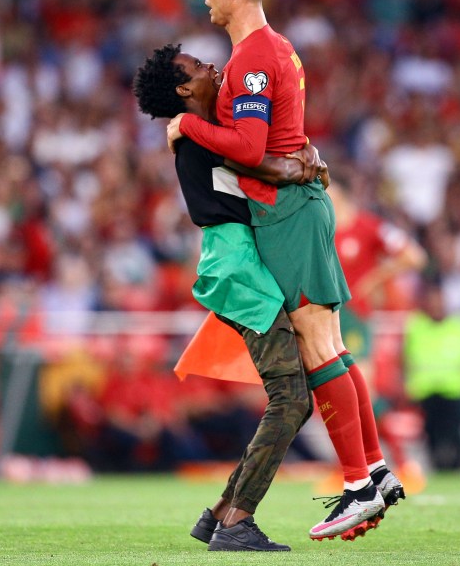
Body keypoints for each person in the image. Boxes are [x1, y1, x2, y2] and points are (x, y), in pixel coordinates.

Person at [166, 0, 397, 540]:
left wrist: (186, 124)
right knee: (331, 344)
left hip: (285, 213)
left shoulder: (252, 59)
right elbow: (277, 141)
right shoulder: (276, 49)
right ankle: (372, 472)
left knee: (318, 347)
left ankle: (357, 484)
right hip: (297, 206)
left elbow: (247, 147)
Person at [134, 43, 321, 551]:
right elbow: (272, 168)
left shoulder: (200, 134)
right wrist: (311, 167)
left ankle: (219, 512)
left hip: (235, 263)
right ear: (183, 90)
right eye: (196, 67)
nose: (211, 66)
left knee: (295, 400)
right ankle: (237, 523)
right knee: (290, 398)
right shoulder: (206, 140)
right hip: (236, 266)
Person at [329, 170, 428, 490]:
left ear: (340, 194)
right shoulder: (319, 230)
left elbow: (414, 256)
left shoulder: (368, 227)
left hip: (354, 317)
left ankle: (397, 463)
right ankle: (364, 468)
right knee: (337, 394)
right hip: (325, 318)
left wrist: (374, 279)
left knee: (360, 392)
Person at [403, 280, 460, 470]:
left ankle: (458, 469)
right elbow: (404, 359)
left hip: (455, 389)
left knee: (456, 435)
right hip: (426, 390)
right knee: (431, 434)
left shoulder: (458, 325)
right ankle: (437, 469)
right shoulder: (416, 326)